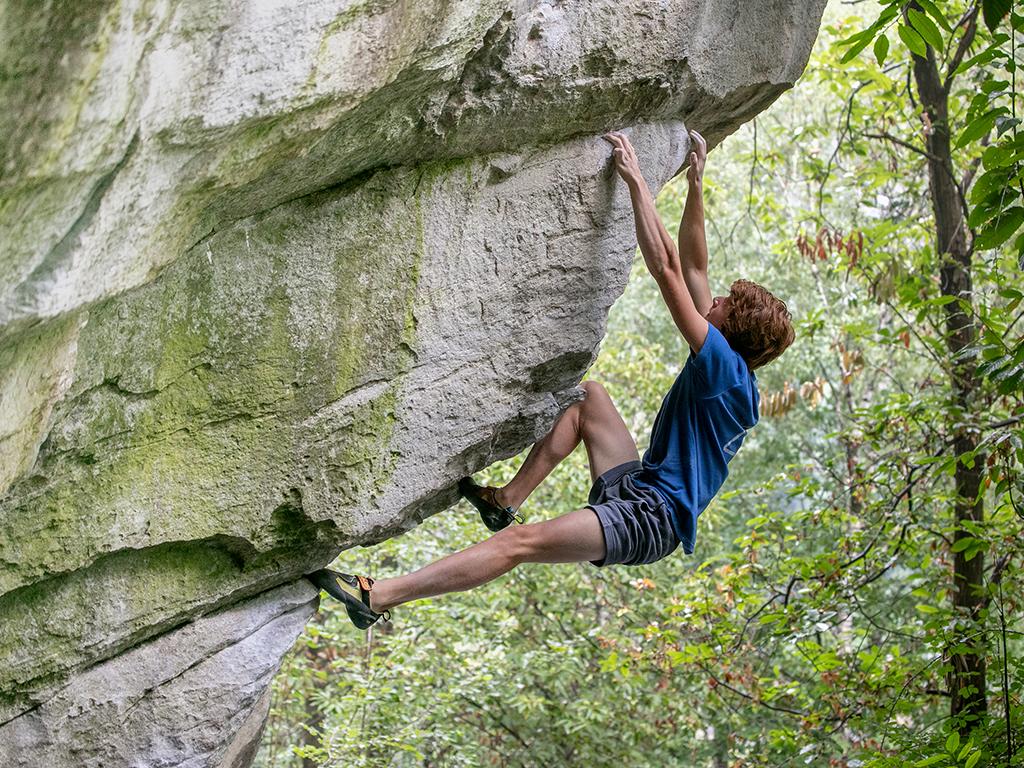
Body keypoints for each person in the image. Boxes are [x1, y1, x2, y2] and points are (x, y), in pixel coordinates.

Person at [307, 129, 795, 629]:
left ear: (730, 330)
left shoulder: (721, 369)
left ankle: (380, 596)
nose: (712, 301)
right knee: (589, 399)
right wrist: (695, 185)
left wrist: (637, 183)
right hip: (644, 486)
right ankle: (505, 500)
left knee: (520, 546)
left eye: (724, 306)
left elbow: (670, 269)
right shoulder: (734, 373)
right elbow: (695, 265)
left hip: (652, 519)